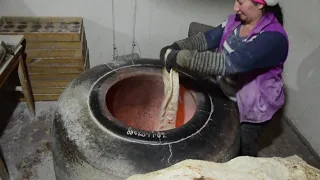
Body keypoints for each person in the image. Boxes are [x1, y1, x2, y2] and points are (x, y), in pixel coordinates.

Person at [159, 0, 289, 157]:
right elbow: (206, 39)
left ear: (260, 4)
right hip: (227, 90)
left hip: (254, 106)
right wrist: (177, 46)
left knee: (242, 149)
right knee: (220, 136)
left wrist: (181, 58)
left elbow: (226, 63)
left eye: (240, 2)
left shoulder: (273, 39)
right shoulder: (235, 22)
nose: (235, 7)